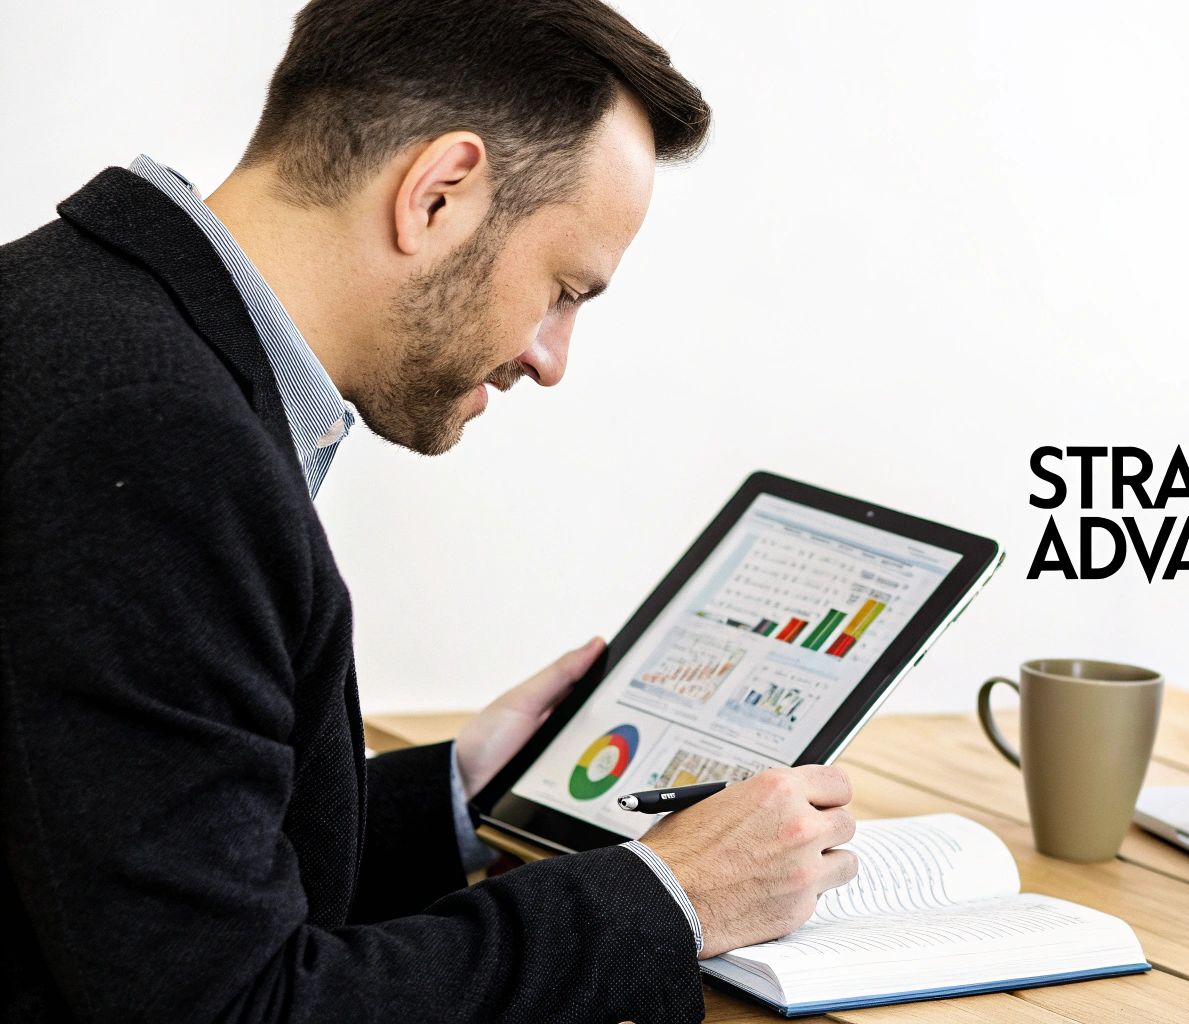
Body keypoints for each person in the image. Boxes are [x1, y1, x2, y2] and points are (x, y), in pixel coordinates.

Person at [0, 1, 858, 1021]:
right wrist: (670, 897)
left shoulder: (66, 309)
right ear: (438, 194)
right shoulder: (153, 435)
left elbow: (110, 855)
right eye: (561, 289)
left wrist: (456, 794)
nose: (550, 358)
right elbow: (233, 1007)